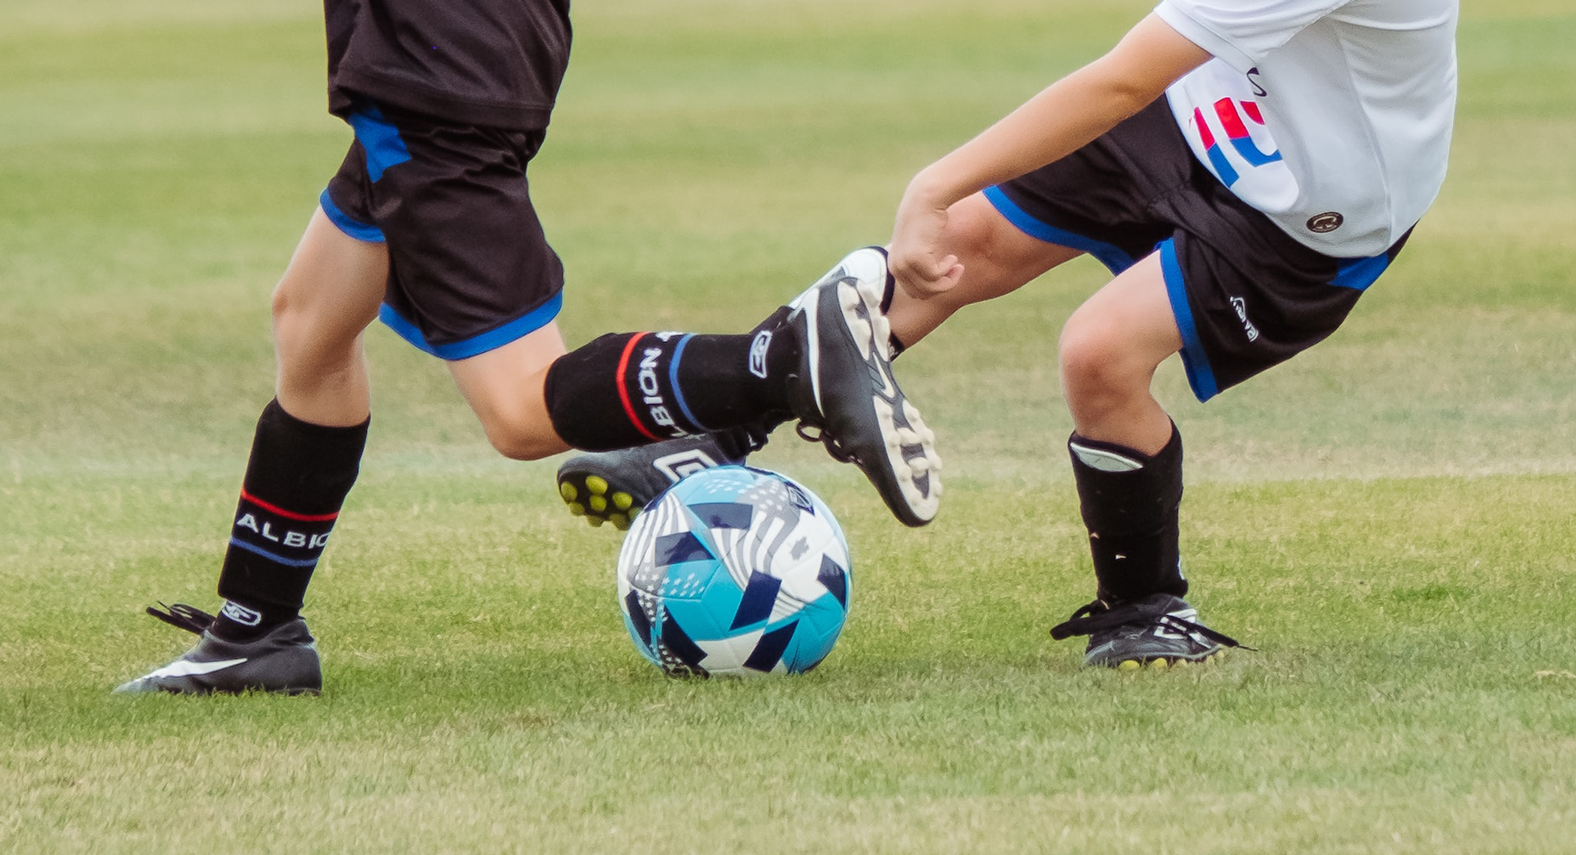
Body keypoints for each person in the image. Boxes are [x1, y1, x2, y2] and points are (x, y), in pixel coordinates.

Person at [559, 0, 1458, 669]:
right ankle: (712, 434)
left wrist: (933, 183)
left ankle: (1144, 606)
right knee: (959, 249)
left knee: (1098, 353)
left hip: (1313, 207)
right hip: (1203, 106)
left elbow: (1121, 78)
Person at [114, 0, 942, 695]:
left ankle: (783, 361)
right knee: (310, 319)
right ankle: (258, 635)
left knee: (520, 411)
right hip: (456, 49)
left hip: (436, 64)